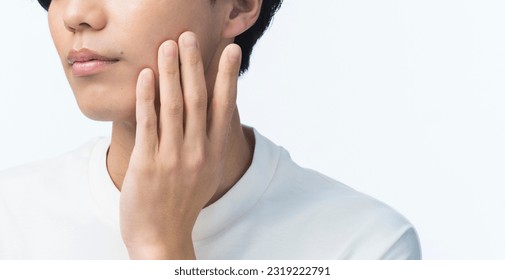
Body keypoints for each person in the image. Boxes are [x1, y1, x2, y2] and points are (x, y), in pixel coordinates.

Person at [0, 0, 421, 259]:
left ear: (237, 5)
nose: (75, 14)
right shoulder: (10, 220)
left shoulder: (363, 246)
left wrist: (160, 248)